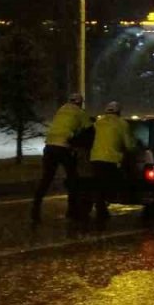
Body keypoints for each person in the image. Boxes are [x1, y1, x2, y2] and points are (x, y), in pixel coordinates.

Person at [32, 92, 90, 222]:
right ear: (80, 103)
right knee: (73, 178)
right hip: (63, 147)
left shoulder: (61, 109)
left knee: (46, 179)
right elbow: (89, 129)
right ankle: (72, 211)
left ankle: (35, 210)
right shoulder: (79, 112)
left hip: (49, 147)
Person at [88, 101, 136, 221]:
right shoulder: (122, 123)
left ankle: (100, 207)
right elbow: (129, 145)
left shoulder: (98, 123)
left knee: (99, 184)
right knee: (110, 184)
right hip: (111, 159)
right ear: (119, 111)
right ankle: (103, 206)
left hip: (95, 158)